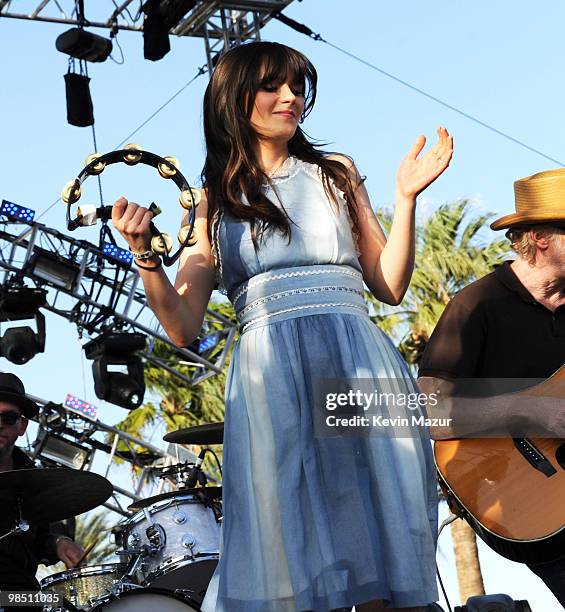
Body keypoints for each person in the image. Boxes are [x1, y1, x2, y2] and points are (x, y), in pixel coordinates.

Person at [112, 41, 453, 611]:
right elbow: (181, 323)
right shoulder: (211, 203)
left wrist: (406, 196)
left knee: (379, 534)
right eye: (273, 86)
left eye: (296, 86)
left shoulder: (335, 174)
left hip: (358, 362)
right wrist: (144, 254)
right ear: (233, 100)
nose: (290, 97)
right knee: (297, 544)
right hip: (273, 382)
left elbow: (389, 284)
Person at [418, 168, 565, 606]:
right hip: (532, 498)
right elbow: (428, 413)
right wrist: (531, 413)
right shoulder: (477, 305)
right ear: (541, 238)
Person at [0, 372, 84, 609]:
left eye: (8, 418)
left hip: (18, 595)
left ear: (22, 425)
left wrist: (59, 543)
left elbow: (40, 539)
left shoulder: (34, 481)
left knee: (64, 605)